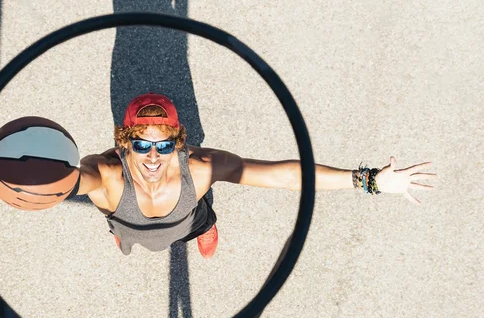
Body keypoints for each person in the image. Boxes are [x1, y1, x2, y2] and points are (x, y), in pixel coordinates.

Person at [75, 93, 436, 258]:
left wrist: (368, 179)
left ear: (178, 143)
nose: (153, 157)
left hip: (189, 219)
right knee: (128, 236)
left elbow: (284, 176)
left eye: (164, 146)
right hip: (126, 221)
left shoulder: (200, 169)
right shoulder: (107, 177)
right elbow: (67, 180)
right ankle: (125, 235)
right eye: (141, 145)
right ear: (124, 144)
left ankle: (206, 227)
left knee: (197, 221)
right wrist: (28, 178)